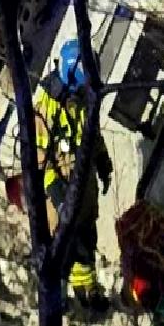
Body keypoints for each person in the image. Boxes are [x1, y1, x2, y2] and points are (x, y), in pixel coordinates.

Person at [35, 38, 114, 311]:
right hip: (62, 188)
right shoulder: (47, 108)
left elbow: (93, 133)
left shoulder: (82, 99)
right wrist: (56, 194)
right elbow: (39, 158)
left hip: (84, 183)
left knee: (86, 238)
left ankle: (86, 289)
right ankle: (54, 297)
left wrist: (103, 162)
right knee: (62, 247)